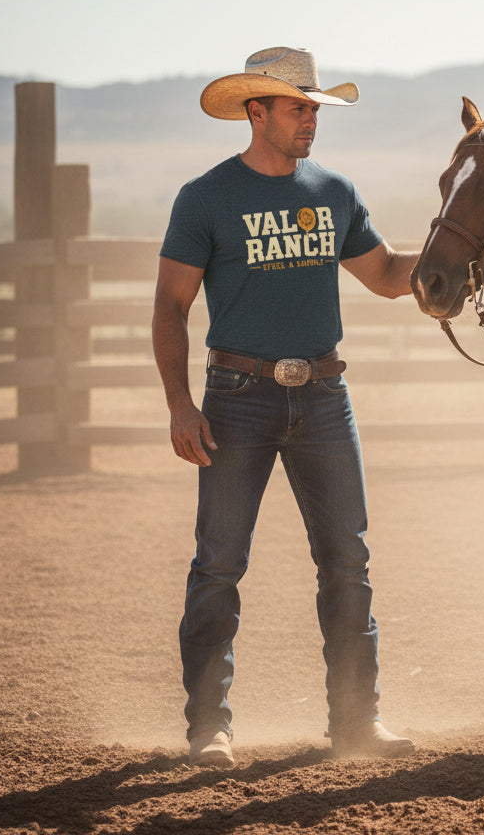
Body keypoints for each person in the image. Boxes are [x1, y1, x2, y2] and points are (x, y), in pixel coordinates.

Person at [152, 47, 419, 767]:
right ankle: (210, 728)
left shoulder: (333, 190)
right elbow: (172, 308)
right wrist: (181, 405)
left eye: (314, 109)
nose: (311, 120)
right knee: (218, 564)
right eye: (299, 107)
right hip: (236, 400)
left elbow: (389, 274)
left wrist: (458, 258)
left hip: (327, 399)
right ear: (256, 111)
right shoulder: (205, 198)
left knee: (347, 561)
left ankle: (358, 724)